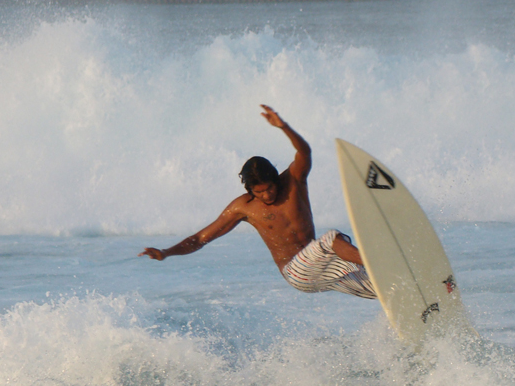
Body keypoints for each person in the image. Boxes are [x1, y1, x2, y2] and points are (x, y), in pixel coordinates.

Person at [139, 105, 376, 299]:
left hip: (320, 264)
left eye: (270, 189)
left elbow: (304, 153)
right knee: (333, 239)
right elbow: (199, 239)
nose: (267, 196)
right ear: (249, 190)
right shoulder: (244, 207)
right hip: (296, 272)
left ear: (276, 179)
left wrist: (284, 127)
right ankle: (377, 264)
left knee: (367, 277)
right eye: (259, 192)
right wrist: (166, 253)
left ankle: (399, 291)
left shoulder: (294, 181)